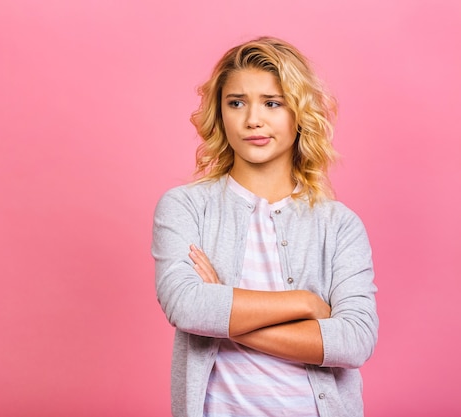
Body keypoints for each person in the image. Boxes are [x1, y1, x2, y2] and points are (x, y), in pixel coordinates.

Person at [151, 36, 378, 417]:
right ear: (220, 113)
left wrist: (221, 308)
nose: (252, 119)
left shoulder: (339, 226)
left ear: (300, 114)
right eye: (236, 102)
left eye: (272, 103)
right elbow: (186, 306)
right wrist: (303, 304)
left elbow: (354, 342)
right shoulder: (185, 207)